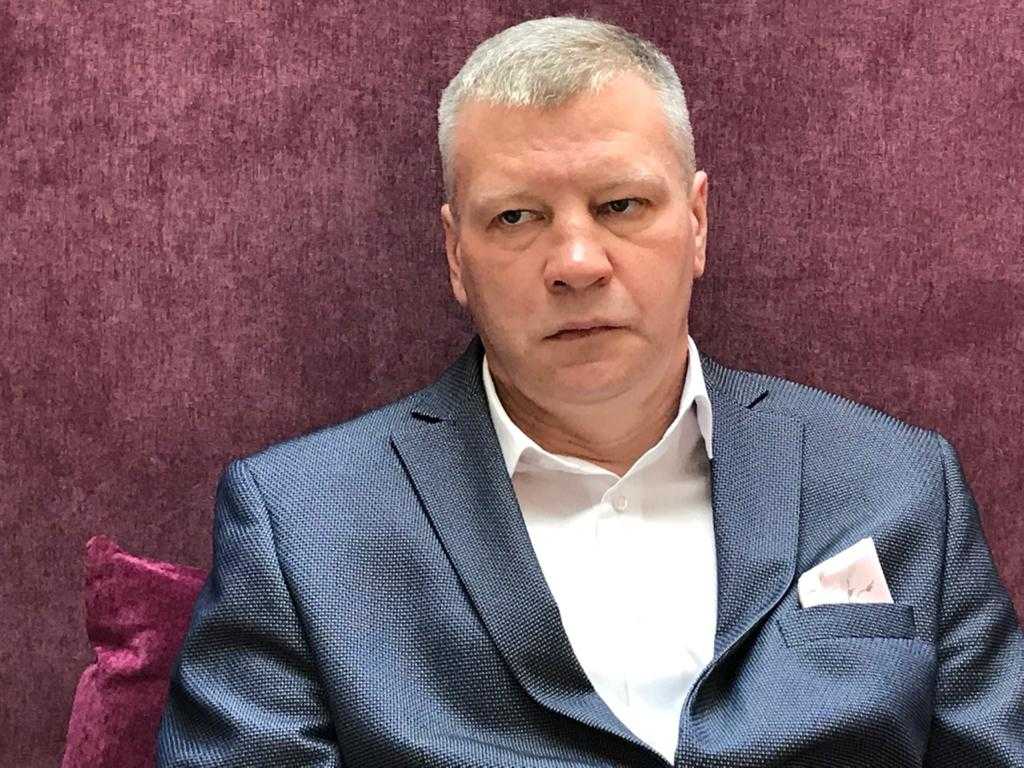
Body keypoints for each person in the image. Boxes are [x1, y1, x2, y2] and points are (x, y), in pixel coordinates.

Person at [156, 16, 1024, 768]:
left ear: (697, 223)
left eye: (620, 205)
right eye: (517, 217)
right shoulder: (298, 523)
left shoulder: (898, 483)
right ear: (456, 256)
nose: (576, 263)